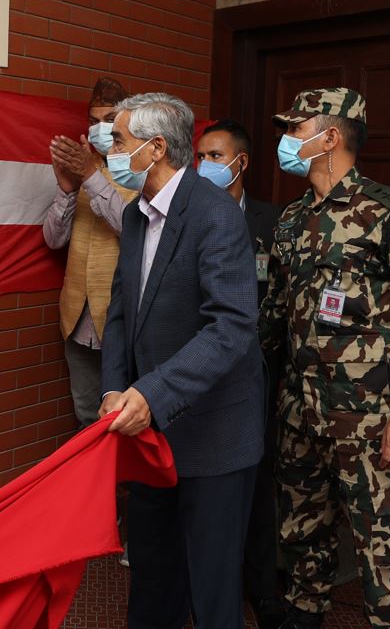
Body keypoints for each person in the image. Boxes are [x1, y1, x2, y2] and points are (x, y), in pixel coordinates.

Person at [258, 88, 390, 629]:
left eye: (295, 130)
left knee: (387, 559)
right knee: (301, 545)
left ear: (330, 138)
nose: (286, 140)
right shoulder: (292, 220)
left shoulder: (389, 214)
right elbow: (272, 320)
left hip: (372, 426)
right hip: (301, 420)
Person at [99, 93, 265, 628]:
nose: (110, 151)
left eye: (119, 141)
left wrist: (151, 394)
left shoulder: (215, 214)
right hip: (152, 435)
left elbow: (231, 325)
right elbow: (121, 311)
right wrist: (113, 388)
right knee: (153, 577)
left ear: (155, 148)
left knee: (212, 590)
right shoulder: (134, 214)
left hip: (214, 435)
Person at [197, 120, 286, 629]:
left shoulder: (273, 222)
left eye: (215, 156)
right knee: (216, 490)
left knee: (259, 481)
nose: (205, 165)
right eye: (201, 156)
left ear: (241, 161)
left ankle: (263, 589)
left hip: (260, 373)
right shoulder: (190, 216)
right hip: (208, 373)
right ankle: (215, 589)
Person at [43, 77, 136, 428]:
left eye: (109, 120)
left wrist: (91, 177)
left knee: (124, 419)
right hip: (78, 318)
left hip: (120, 319)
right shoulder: (82, 170)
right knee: (86, 417)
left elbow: (133, 230)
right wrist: (68, 189)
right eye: (93, 121)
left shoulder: (140, 172)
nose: (99, 129)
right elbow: (54, 240)